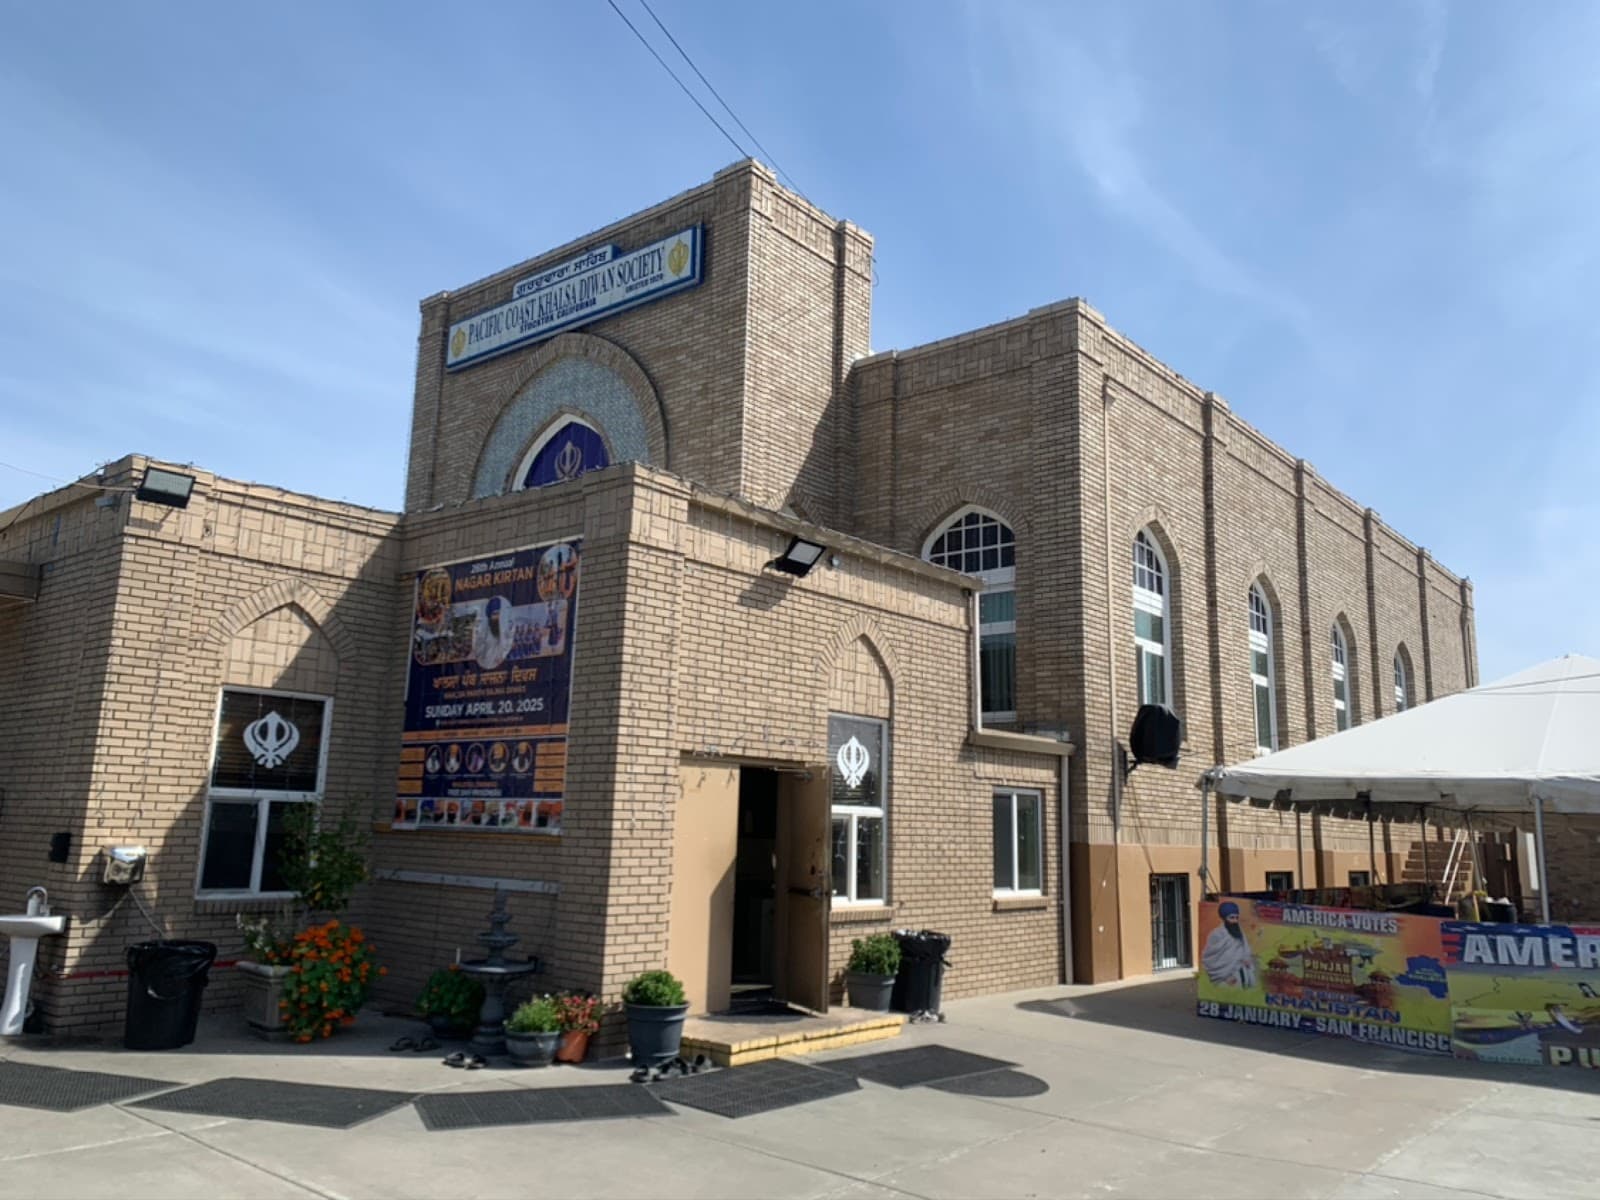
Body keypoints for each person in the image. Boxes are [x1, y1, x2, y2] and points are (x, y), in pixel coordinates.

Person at [1202, 901, 1258, 989]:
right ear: (1224, 918)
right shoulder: (1216, 934)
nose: (1235, 920)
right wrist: (1224, 977)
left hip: (1244, 973)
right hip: (1227, 979)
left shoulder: (1239, 932)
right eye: (1231, 918)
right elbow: (1209, 958)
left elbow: (1245, 949)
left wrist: (1247, 959)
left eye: (1237, 917)